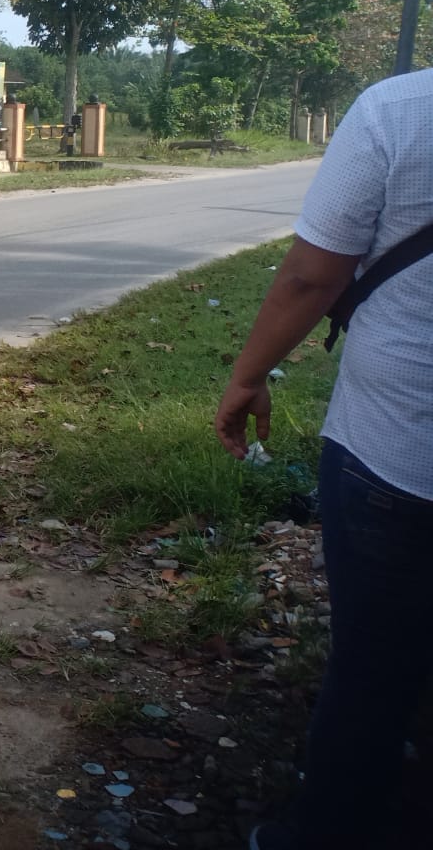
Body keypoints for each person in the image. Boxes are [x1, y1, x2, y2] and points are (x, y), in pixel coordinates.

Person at [215, 68, 433, 850]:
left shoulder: (400, 109)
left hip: (398, 451)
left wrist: (246, 378)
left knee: (373, 670)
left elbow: (312, 274)